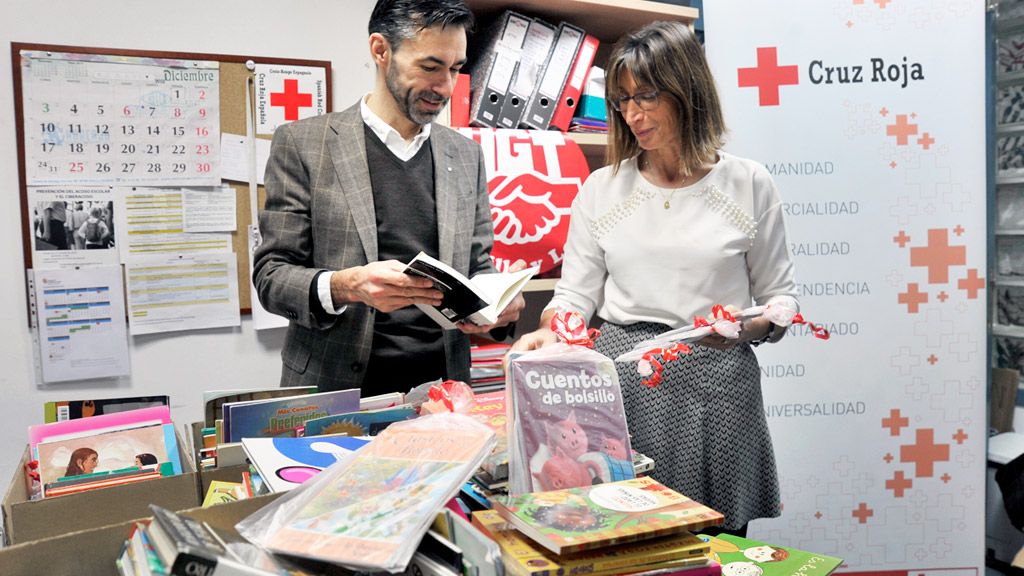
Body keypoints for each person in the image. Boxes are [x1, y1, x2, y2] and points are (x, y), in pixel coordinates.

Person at [509, 21, 799, 536]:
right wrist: (552, 328)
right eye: (622, 100)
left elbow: (779, 302)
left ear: (687, 91)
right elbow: (575, 293)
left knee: (716, 544)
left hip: (718, 381)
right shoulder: (603, 188)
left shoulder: (748, 183)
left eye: (646, 96)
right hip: (627, 384)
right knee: (628, 534)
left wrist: (743, 328)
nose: (632, 114)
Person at [253, 0, 524, 394]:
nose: (445, 87)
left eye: (456, 70)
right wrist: (348, 286)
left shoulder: (465, 154)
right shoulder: (303, 144)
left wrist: (498, 303)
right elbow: (271, 276)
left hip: (443, 392)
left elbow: (476, 265)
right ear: (381, 50)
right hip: (337, 389)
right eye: (430, 67)